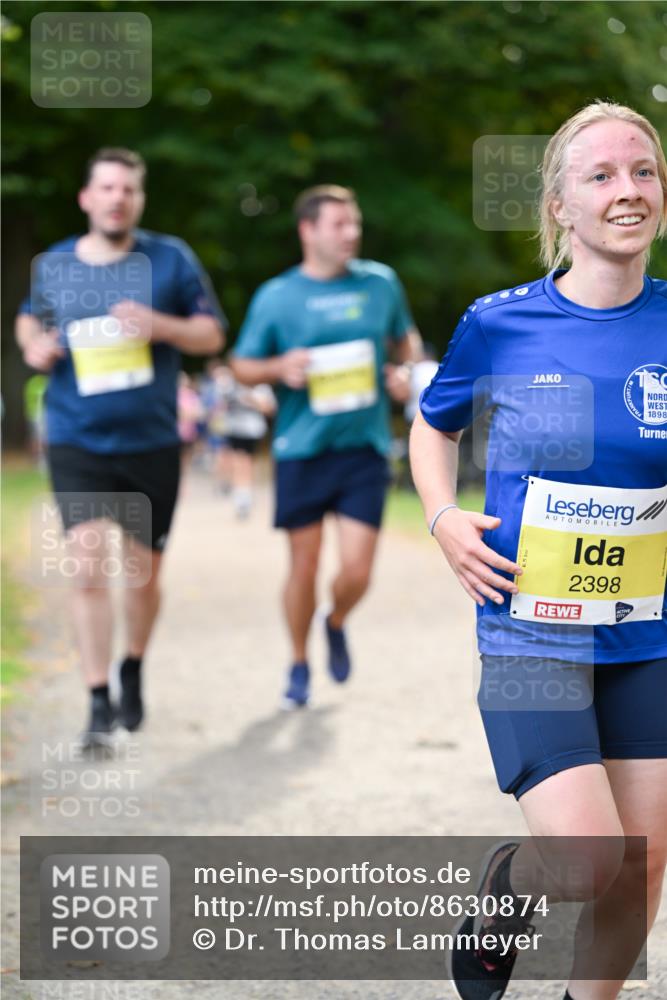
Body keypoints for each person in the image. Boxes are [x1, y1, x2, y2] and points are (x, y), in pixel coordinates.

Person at [410, 101, 667, 1000]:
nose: (626, 190)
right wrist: (443, 518)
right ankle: (504, 887)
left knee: (640, 863)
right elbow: (431, 427)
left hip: (648, 634)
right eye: (599, 175)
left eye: (643, 171)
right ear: (559, 204)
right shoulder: (500, 323)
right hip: (531, 630)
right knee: (589, 860)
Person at [15, 147, 225, 747]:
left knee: (141, 576)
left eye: (128, 189)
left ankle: (132, 663)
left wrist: (161, 325)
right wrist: (34, 346)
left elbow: (211, 334)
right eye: (106, 188)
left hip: (151, 441)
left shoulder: (169, 258)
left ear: (139, 198)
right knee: (85, 568)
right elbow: (30, 320)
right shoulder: (55, 264)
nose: (117, 198)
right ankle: (96, 700)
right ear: (87, 197)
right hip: (77, 438)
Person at [232, 185, 419, 707]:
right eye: (339, 224)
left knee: (357, 570)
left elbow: (408, 340)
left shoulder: (380, 284)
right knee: (305, 567)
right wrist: (277, 368)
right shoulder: (276, 295)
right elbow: (241, 364)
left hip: (364, 447)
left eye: (355, 223)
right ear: (307, 231)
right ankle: (297, 661)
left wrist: (405, 372)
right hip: (301, 448)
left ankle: (335, 620)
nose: (351, 233)